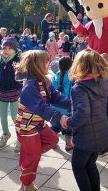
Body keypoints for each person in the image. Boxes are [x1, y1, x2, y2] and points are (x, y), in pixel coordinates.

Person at [14, 50, 71, 191]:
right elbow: (42, 107)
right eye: (46, 61)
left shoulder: (44, 81)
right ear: (37, 65)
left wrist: (73, 104)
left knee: (53, 140)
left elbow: (56, 97)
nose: (49, 63)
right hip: (27, 127)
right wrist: (59, 117)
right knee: (32, 157)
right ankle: (26, 184)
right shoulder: (29, 87)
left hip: (37, 124)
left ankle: (30, 154)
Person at [59, 49, 108, 191]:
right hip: (100, 132)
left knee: (78, 166)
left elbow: (82, 113)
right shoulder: (101, 81)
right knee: (90, 164)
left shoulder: (79, 88)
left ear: (80, 66)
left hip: (86, 137)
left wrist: (67, 122)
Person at [0, 37, 22, 152]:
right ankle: (6, 134)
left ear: (15, 49)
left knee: (15, 116)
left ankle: (20, 138)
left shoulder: (18, 59)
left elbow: (23, 75)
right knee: (2, 115)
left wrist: (18, 68)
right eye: (4, 48)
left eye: (10, 48)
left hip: (15, 90)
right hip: (2, 90)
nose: (6, 50)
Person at [50, 56, 74, 151]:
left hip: (55, 106)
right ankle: (68, 144)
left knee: (55, 126)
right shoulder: (72, 76)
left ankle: (53, 142)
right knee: (68, 127)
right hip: (67, 107)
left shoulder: (56, 75)